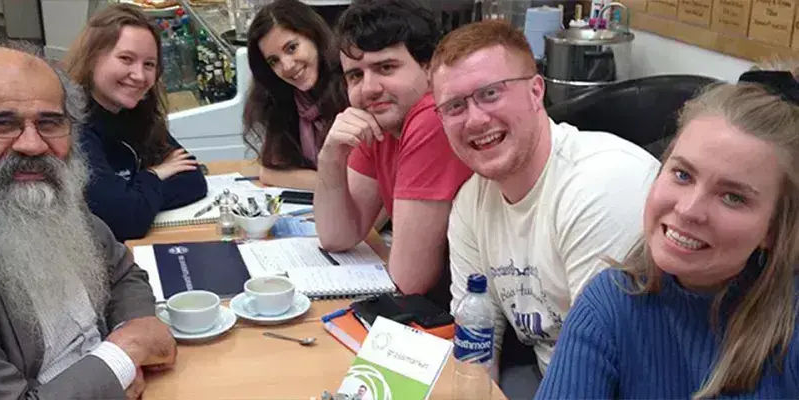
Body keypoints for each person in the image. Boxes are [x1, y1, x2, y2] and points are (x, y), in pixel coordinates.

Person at [0, 42, 175, 399]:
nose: (32, 145)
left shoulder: (44, 195)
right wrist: (121, 358)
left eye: (50, 123)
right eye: (2, 124)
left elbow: (123, 273)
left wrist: (133, 330)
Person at [535, 67, 799, 398]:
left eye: (733, 197)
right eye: (683, 175)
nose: (689, 210)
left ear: (773, 230)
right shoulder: (609, 305)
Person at [429, 20, 660, 397]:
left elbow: (611, 366)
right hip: (546, 377)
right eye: (454, 106)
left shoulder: (599, 184)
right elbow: (477, 340)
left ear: (536, 91)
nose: (474, 119)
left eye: (490, 93)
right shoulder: (471, 201)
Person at [313, 0, 473, 307]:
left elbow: (409, 280)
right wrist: (331, 156)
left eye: (386, 68)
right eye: (355, 76)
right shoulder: (378, 122)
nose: (370, 88)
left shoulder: (432, 116)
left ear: (429, 69)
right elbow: (338, 237)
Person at [64, 4, 208, 241]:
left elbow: (193, 180)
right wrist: (154, 175)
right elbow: (125, 220)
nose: (140, 76)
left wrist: (134, 193)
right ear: (92, 58)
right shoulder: (74, 127)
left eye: (149, 64)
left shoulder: (138, 113)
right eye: (126, 59)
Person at [243, 0, 347, 190]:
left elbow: (358, 184)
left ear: (314, 36)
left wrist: (306, 180)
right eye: (274, 61)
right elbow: (269, 171)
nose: (287, 66)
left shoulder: (352, 88)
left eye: (291, 48)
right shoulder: (285, 100)